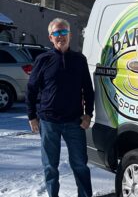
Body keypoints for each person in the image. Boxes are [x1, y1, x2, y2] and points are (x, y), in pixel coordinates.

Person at [26, 18, 94, 197]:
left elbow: (88, 89)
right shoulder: (43, 60)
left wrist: (88, 114)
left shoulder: (79, 60)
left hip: (74, 121)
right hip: (48, 122)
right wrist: (32, 116)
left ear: (70, 35)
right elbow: (31, 89)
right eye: (56, 33)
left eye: (64, 32)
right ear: (50, 37)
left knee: (80, 164)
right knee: (50, 166)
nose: (60, 36)